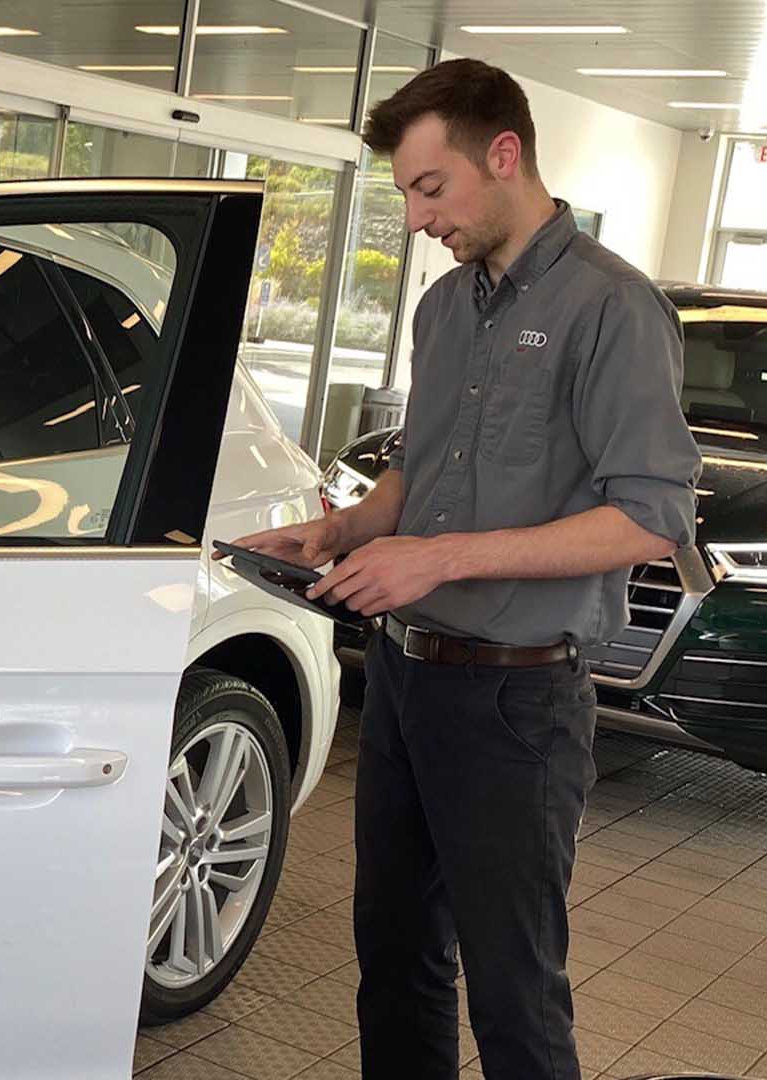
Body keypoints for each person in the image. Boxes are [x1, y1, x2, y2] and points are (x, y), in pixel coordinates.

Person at [227, 59, 701, 1080]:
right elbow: (418, 471)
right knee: (394, 959)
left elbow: (650, 518)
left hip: (516, 703)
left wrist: (437, 558)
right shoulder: (446, 311)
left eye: (429, 188)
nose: (415, 216)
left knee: (513, 987)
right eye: (404, 191)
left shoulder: (612, 309)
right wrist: (340, 534)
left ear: (504, 154)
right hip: (404, 679)